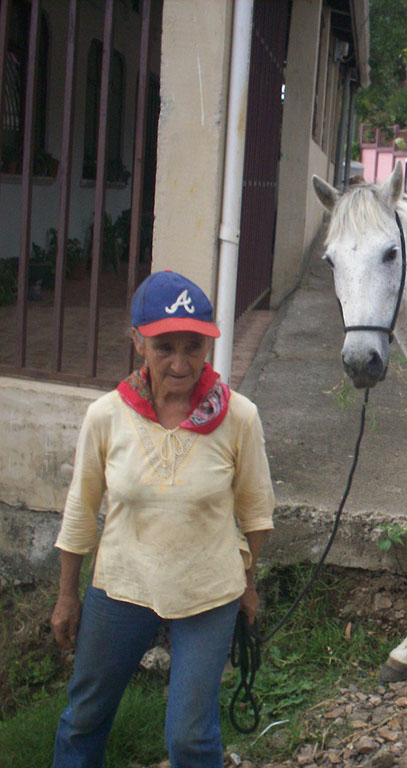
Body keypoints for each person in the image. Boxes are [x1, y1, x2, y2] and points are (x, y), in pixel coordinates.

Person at [50, 270, 275, 768]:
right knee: (84, 717)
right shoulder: (106, 416)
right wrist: (67, 595)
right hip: (121, 584)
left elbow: (256, 513)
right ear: (138, 342)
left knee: (191, 738)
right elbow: (81, 510)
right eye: (164, 347)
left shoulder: (240, 417)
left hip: (208, 590)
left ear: (208, 346)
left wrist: (247, 583)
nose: (180, 363)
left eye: (193, 347)